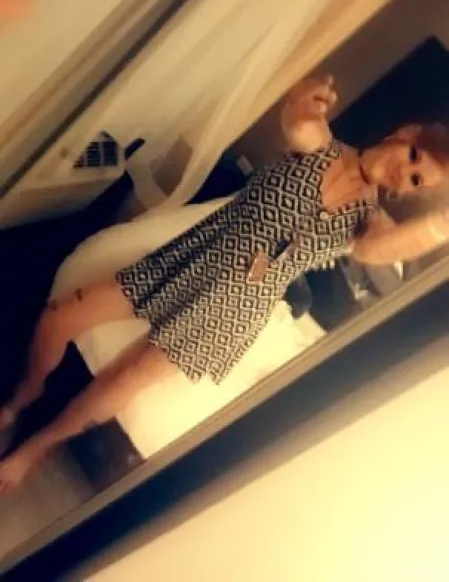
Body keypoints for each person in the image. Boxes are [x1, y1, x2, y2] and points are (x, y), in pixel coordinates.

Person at [1, 75, 449, 492]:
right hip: (194, 257)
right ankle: (25, 394)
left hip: (236, 308)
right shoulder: (323, 148)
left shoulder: (368, 220)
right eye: (414, 158)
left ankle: (33, 449)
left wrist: (439, 226)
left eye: (416, 181)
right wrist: (305, 94)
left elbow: (379, 249)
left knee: (127, 377)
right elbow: (299, 123)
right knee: (61, 317)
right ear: (405, 133)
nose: (403, 174)